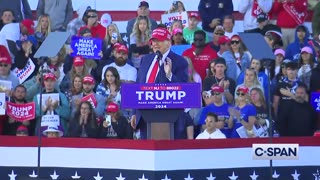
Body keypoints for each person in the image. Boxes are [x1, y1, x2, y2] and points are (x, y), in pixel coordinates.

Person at [130, 27, 188, 139]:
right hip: (144, 115)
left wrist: (169, 75)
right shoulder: (146, 59)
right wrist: (134, 112)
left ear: (168, 43)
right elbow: (138, 86)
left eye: (159, 40)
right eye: (153, 41)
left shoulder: (180, 61)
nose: (155, 44)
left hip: (169, 118)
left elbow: (183, 89)